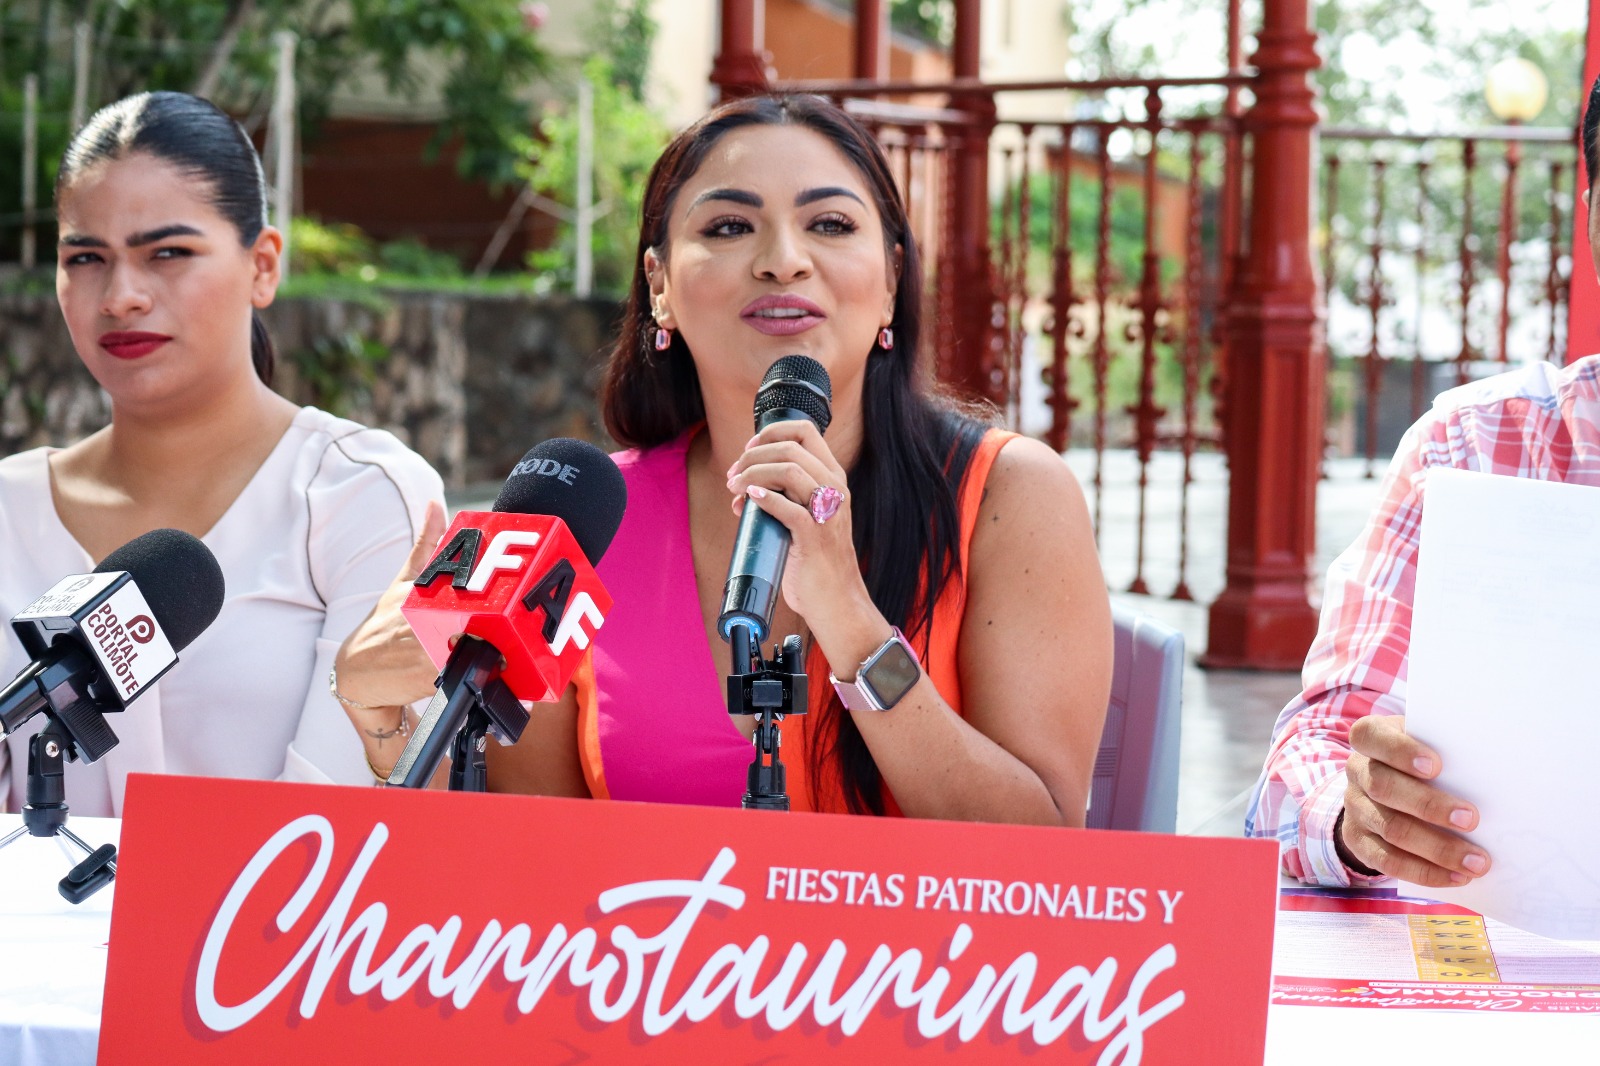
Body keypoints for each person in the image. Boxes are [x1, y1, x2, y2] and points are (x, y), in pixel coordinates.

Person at [478, 94, 1112, 822]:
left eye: (831, 224)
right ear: (659, 286)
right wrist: (386, 719)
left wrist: (850, 619)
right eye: (729, 227)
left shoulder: (1010, 494)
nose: (783, 262)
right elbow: (531, 842)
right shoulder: (584, 520)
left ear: (892, 280)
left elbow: (1045, 844)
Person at [0, 91, 445, 816]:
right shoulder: (8, 510)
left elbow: (340, 822)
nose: (121, 296)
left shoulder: (360, 497)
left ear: (262, 266)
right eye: (85, 257)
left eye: (168, 253)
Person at [1247, 74, 1600, 889]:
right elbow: (1299, 776)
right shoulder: (1477, 448)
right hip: (1519, 941)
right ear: (1592, 221)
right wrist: (1358, 819)